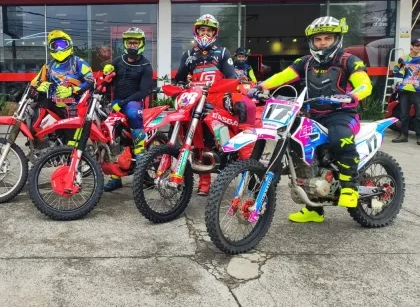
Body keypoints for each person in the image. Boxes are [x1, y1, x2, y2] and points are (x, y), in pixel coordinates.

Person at [248, 16, 373, 223]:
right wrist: (261, 87)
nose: (322, 43)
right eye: (318, 39)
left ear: (337, 39)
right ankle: (314, 209)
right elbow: (282, 76)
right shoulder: (305, 62)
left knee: (339, 136)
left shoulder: (348, 60)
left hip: (342, 115)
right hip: (313, 114)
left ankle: (350, 187)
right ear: (311, 42)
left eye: (327, 38)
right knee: (302, 154)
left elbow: (364, 83)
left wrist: (354, 94)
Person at [175, 14, 256, 195]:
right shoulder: (188, 54)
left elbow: (231, 78)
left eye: (208, 30)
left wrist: (229, 95)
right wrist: (183, 73)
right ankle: (204, 183)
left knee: (243, 107)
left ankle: (246, 161)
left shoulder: (222, 52)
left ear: (214, 33)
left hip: (218, 96)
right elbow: (178, 79)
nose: (205, 33)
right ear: (196, 32)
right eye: (202, 30)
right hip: (196, 99)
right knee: (199, 140)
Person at [101, 27, 153, 192]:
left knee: (132, 115)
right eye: (130, 42)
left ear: (141, 44)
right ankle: (115, 177)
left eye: (135, 42)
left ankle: (142, 172)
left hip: (133, 102)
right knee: (112, 136)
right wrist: (104, 75)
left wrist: (123, 103)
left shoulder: (146, 65)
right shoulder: (117, 61)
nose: (132, 45)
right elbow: (107, 82)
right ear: (125, 43)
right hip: (116, 101)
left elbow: (143, 91)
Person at [30, 30, 94, 139]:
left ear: (69, 44)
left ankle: (72, 151)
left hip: (75, 106)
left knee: (71, 139)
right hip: (54, 106)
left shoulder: (78, 62)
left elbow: (91, 81)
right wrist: (39, 86)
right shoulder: (48, 66)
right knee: (36, 121)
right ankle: (41, 145)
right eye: (55, 45)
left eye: (62, 44)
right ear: (51, 47)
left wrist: (71, 90)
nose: (59, 49)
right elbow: (34, 82)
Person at [391, 38, 420, 144]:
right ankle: (404, 135)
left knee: (418, 114)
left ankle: (419, 136)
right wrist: (401, 76)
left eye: (419, 46)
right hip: (404, 89)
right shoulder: (403, 58)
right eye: (416, 45)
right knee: (404, 113)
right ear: (411, 46)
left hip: (418, 90)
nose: (418, 47)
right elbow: (395, 70)